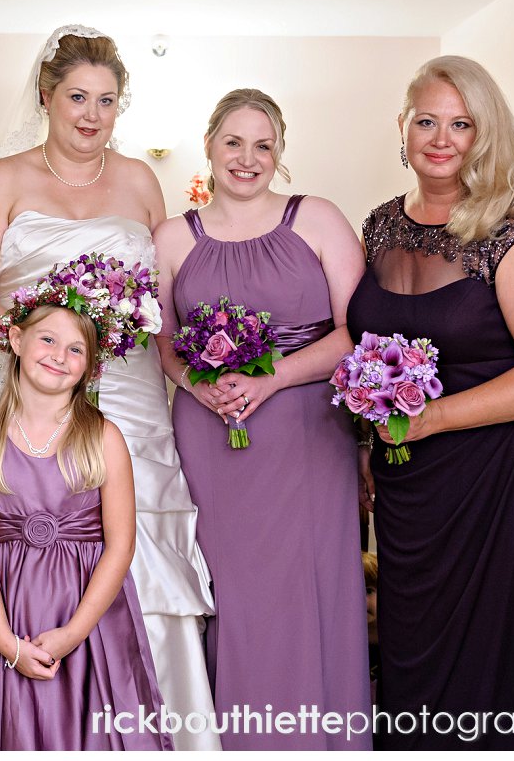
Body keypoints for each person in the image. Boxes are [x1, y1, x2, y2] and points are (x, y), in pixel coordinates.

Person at [0, 23, 217, 749]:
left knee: (142, 545)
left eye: (107, 100)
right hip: (36, 386)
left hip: (127, 395)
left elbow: (165, 300)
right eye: (77, 97)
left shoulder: (138, 181)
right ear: (47, 96)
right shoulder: (5, 178)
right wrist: (31, 339)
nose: (92, 114)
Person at [346, 55, 514, 749]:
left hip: (503, 473)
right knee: (409, 636)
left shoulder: (512, 232)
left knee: (490, 647)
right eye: (428, 120)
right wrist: (370, 443)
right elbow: (373, 352)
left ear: (486, 136)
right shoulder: (382, 227)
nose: (442, 138)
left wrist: (437, 417)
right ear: (404, 129)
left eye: (461, 123)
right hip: (409, 475)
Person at [152, 89, 371, 749]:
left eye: (263, 145)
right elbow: (161, 340)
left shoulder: (319, 220)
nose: (247, 158)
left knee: (307, 589)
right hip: (210, 434)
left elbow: (356, 330)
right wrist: (200, 383)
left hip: (305, 432)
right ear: (210, 144)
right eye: (234, 142)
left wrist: (272, 378)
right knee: (232, 594)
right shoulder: (170, 237)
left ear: (280, 153)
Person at [0, 301, 167, 750]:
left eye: (76, 349)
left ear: (91, 367)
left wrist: (73, 633)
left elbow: (120, 546)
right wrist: (5, 641)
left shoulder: (104, 439)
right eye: (47, 339)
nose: (59, 355)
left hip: (88, 617)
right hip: (7, 611)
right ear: (16, 340)